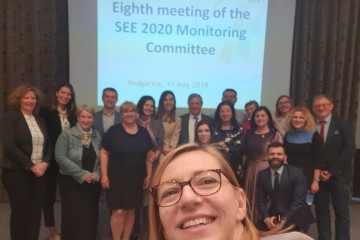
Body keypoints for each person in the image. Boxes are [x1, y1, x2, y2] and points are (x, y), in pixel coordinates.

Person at [148, 143, 314, 240]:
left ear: (240, 203)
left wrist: (280, 219)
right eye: (169, 192)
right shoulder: (263, 177)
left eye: (207, 181)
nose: (188, 198)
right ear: (161, 225)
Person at [0, 85, 51, 240]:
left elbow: (48, 145)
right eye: (26, 97)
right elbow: (9, 146)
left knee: (35, 213)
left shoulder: (40, 120)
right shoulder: (9, 117)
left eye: (33, 98)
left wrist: (45, 163)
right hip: (16, 173)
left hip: (39, 173)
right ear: (19, 99)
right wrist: (31, 166)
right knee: (20, 213)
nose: (30, 100)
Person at [100, 101, 154, 240]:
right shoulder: (113, 131)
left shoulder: (143, 132)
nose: (129, 114)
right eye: (125, 111)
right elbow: (104, 152)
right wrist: (104, 175)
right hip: (116, 178)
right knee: (118, 211)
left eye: (132, 111)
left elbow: (149, 155)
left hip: (136, 178)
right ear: (121, 114)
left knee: (131, 211)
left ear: (136, 113)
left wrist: (149, 175)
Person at [311, 94, 355, 240]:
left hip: (339, 175)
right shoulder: (310, 125)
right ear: (313, 109)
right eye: (317, 106)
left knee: (341, 212)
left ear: (331, 106)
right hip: (318, 176)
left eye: (324, 104)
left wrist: (330, 171)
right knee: (321, 210)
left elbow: (349, 150)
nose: (321, 108)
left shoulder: (343, 124)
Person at [55, 105, 101, 240]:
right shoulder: (67, 135)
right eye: (83, 116)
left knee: (90, 216)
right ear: (78, 118)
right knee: (72, 216)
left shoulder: (97, 135)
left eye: (89, 117)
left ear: (93, 119)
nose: (86, 120)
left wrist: (97, 174)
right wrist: (82, 174)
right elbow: (60, 157)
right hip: (71, 183)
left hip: (92, 184)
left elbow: (103, 158)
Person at [39, 82, 77, 240]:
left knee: (69, 195)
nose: (65, 96)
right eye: (63, 93)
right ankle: (52, 229)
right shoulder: (45, 113)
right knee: (49, 196)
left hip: (69, 162)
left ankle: (67, 228)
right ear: (56, 93)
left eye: (68, 94)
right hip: (50, 160)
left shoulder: (73, 116)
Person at [257, 142, 314, 233]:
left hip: (296, 215)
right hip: (275, 214)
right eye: (272, 154)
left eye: (279, 154)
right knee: (253, 233)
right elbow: (261, 201)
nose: (275, 156)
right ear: (267, 156)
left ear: (285, 157)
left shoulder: (297, 173)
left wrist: (283, 222)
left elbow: (298, 202)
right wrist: (267, 219)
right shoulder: (262, 175)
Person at [243, 106, 283, 221]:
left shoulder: (275, 134)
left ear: (268, 118)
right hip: (250, 169)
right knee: (250, 198)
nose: (259, 118)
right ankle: (251, 224)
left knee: (266, 198)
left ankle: (268, 223)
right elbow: (245, 153)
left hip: (268, 169)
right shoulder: (249, 133)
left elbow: (279, 155)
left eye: (262, 115)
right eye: (257, 116)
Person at [135, 95, 164, 240]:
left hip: (153, 165)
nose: (149, 108)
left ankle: (146, 234)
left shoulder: (157, 123)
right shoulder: (133, 121)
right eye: (146, 105)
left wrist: (156, 156)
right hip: (134, 165)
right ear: (141, 105)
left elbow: (160, 144)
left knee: (148, 201)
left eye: (151, 106)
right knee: (134, 199)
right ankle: (134, 231)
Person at [284, 107, 322, 194]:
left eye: (301, 117)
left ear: (306, 120)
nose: (298, 120)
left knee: (303, 205)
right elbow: (285, 155)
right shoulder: (288, 134)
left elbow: (318, 160)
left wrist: (315, 181)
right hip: (290, 175)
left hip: (307, 176)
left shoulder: (314, 134)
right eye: (295, 117)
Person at [212, 101, 244, 184]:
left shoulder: (239, 129)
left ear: (232, 113)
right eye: (222, 111)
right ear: (218, 114)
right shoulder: (213, 129)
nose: (225, 113)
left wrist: (226, 149)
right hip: (217, 165)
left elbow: (240, 148)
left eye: (227, 111)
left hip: (234, 166)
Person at [156, 91, 181, 161]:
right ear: (161, 102)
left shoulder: (177, 120)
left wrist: (167, 153)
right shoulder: (155, 117)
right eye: (165, 100)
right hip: (152, 151)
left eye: (170, 99)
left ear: (174, 102)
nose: (168, 102)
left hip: (166, 153)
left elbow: (174, 141)